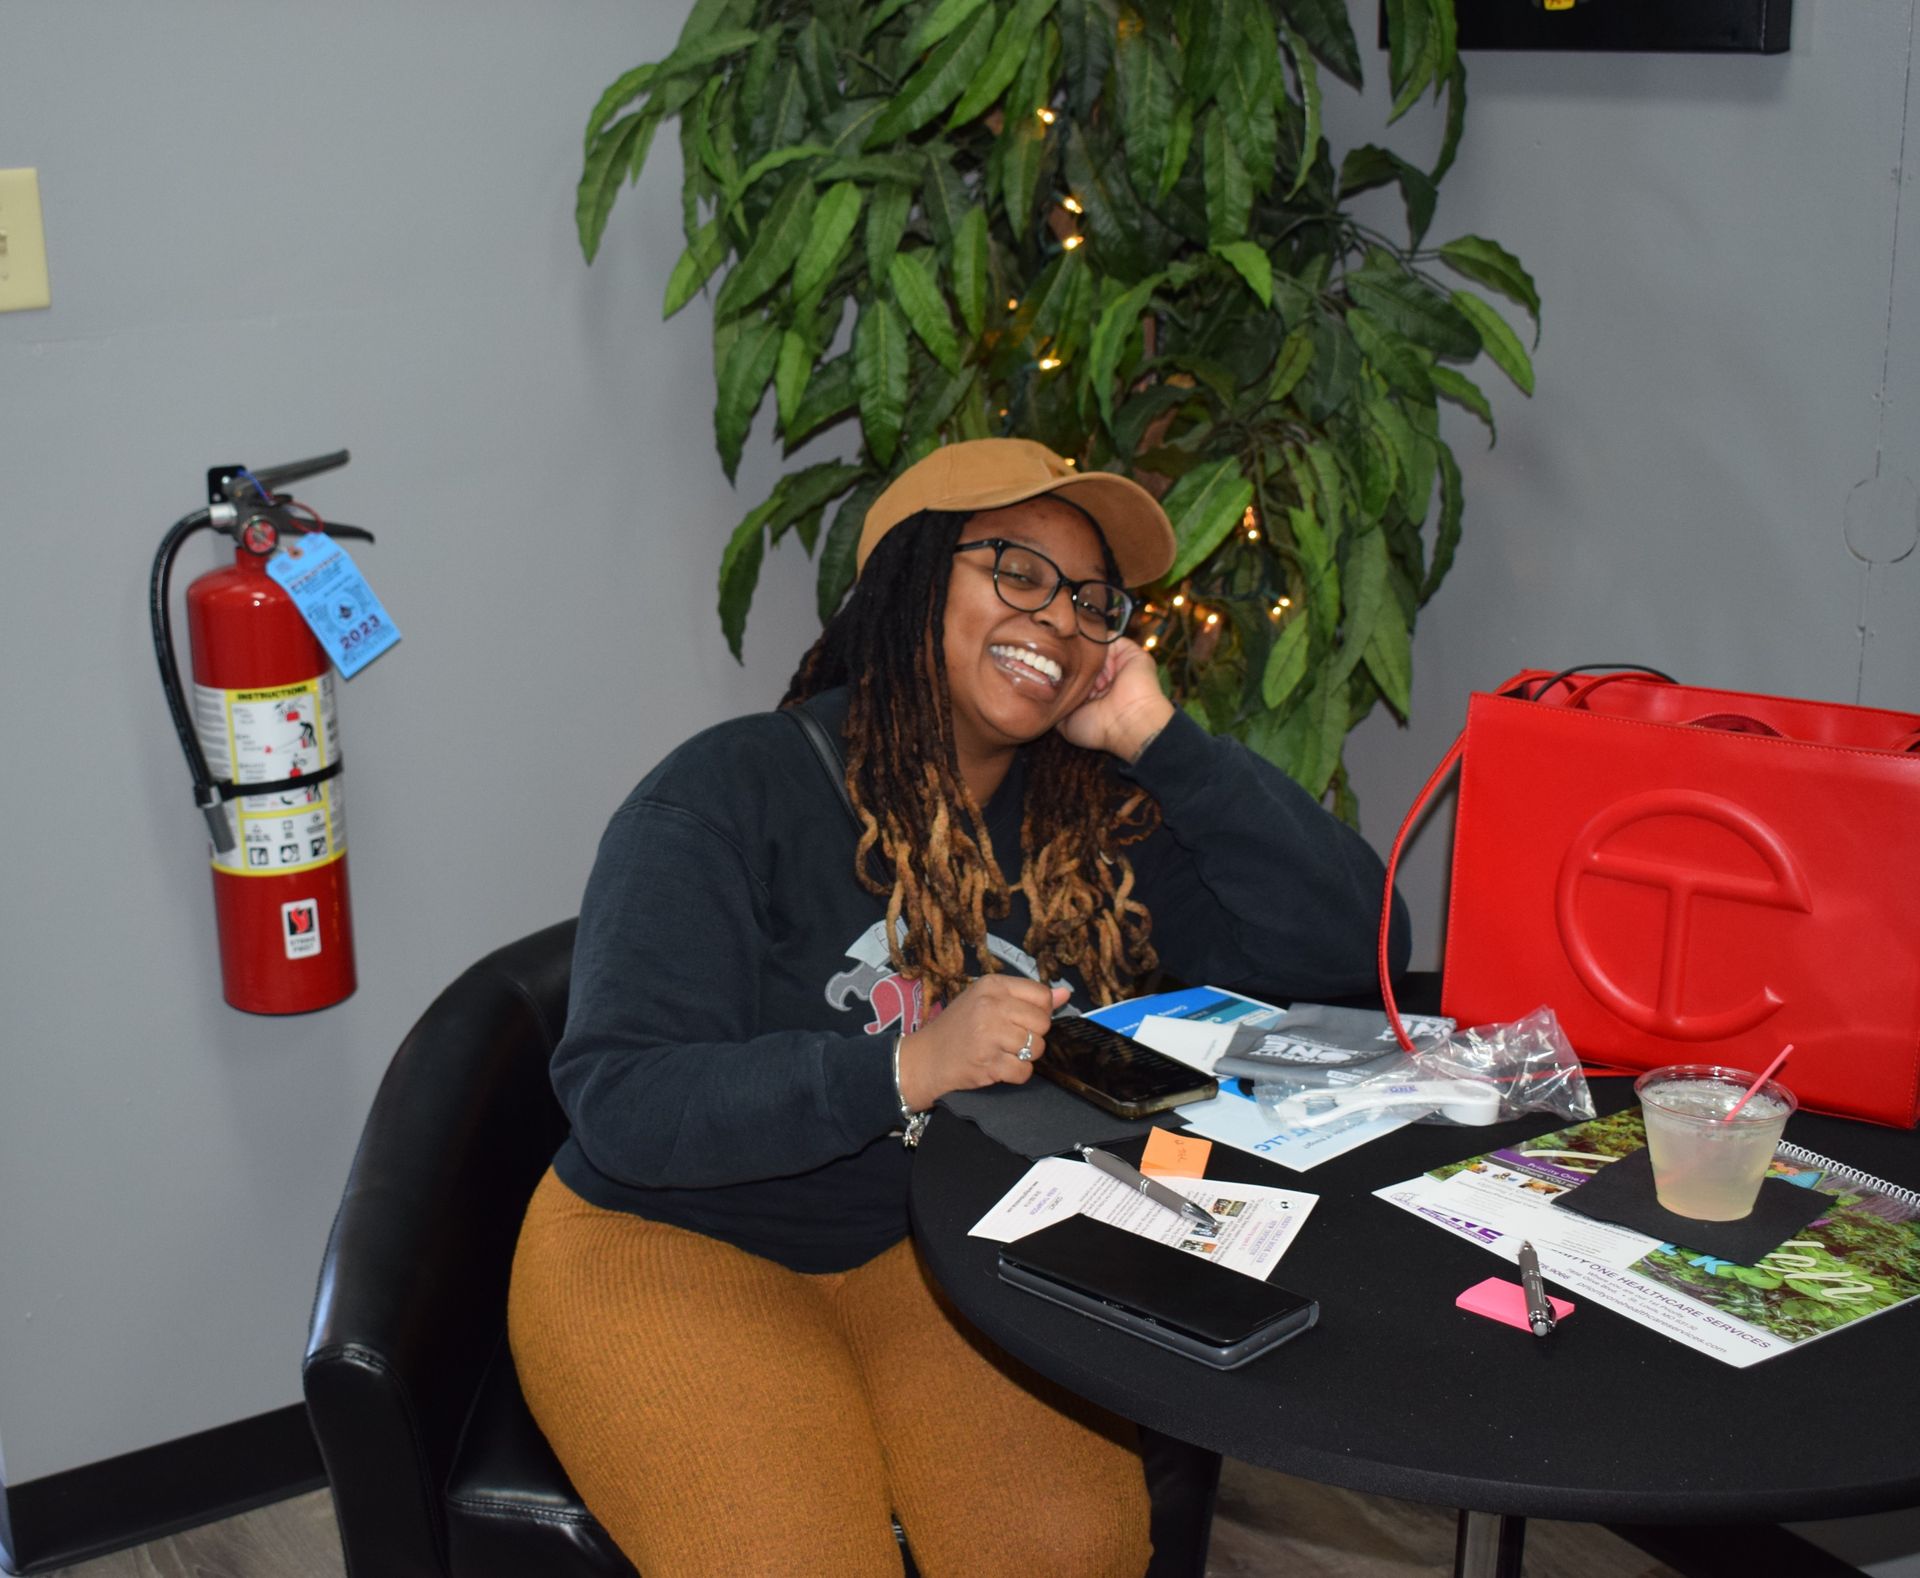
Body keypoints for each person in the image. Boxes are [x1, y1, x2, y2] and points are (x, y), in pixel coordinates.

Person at [509, 438, 1410, 1578]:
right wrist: (903, 1068)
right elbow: (624, 1098)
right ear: (911, 579)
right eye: (1016, 571)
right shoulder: (729, 789)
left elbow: (1355, 948)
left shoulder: (1090, 822)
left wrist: (1161, 742)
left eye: (1092, 602)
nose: (1060, 619)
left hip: (935, 1252)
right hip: (672, 1240)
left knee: (1067, 1549)